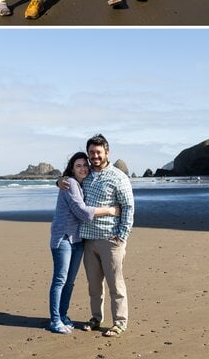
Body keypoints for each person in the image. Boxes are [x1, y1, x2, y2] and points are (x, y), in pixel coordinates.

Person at [47, 152, 120, 334]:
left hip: (77, 239)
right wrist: (111, 210)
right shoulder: (70, 183)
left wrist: (58, 180)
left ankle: (63, 315)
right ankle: (55, 320)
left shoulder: (81, 184)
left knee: (69, 282)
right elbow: (82, 212)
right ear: (72, 168)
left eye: (84, 165)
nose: (82, 168)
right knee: (60, 280)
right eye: (78, 165)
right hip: (63, 238)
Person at [78, 134, 135, 337]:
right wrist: (59, 181)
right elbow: (67, 179)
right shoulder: (84, 175)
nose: (95, 156)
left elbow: (128, 207)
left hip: (111, 241)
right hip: (88, 240)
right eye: (91, 152)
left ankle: (120, 322)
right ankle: (96, 318)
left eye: (98, 152)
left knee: (115, 284)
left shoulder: (119, 177)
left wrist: (122, 236)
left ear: (107, 152)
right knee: (94, 285)